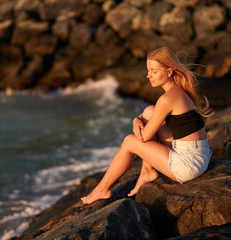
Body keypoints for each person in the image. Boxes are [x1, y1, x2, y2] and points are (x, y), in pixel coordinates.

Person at [81, 46, 213, 204]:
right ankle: (147, 172)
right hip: (200, 156)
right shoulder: (180, 90)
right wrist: (139, 118)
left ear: (169, 71)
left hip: (188, 166)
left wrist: (135, 121)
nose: (148, 75)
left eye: (154, 71)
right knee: (149, 112)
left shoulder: (167, 99)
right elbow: (151, 122)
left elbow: (144, 137)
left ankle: (101, 189)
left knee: (130, 142)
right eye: (148, 70)